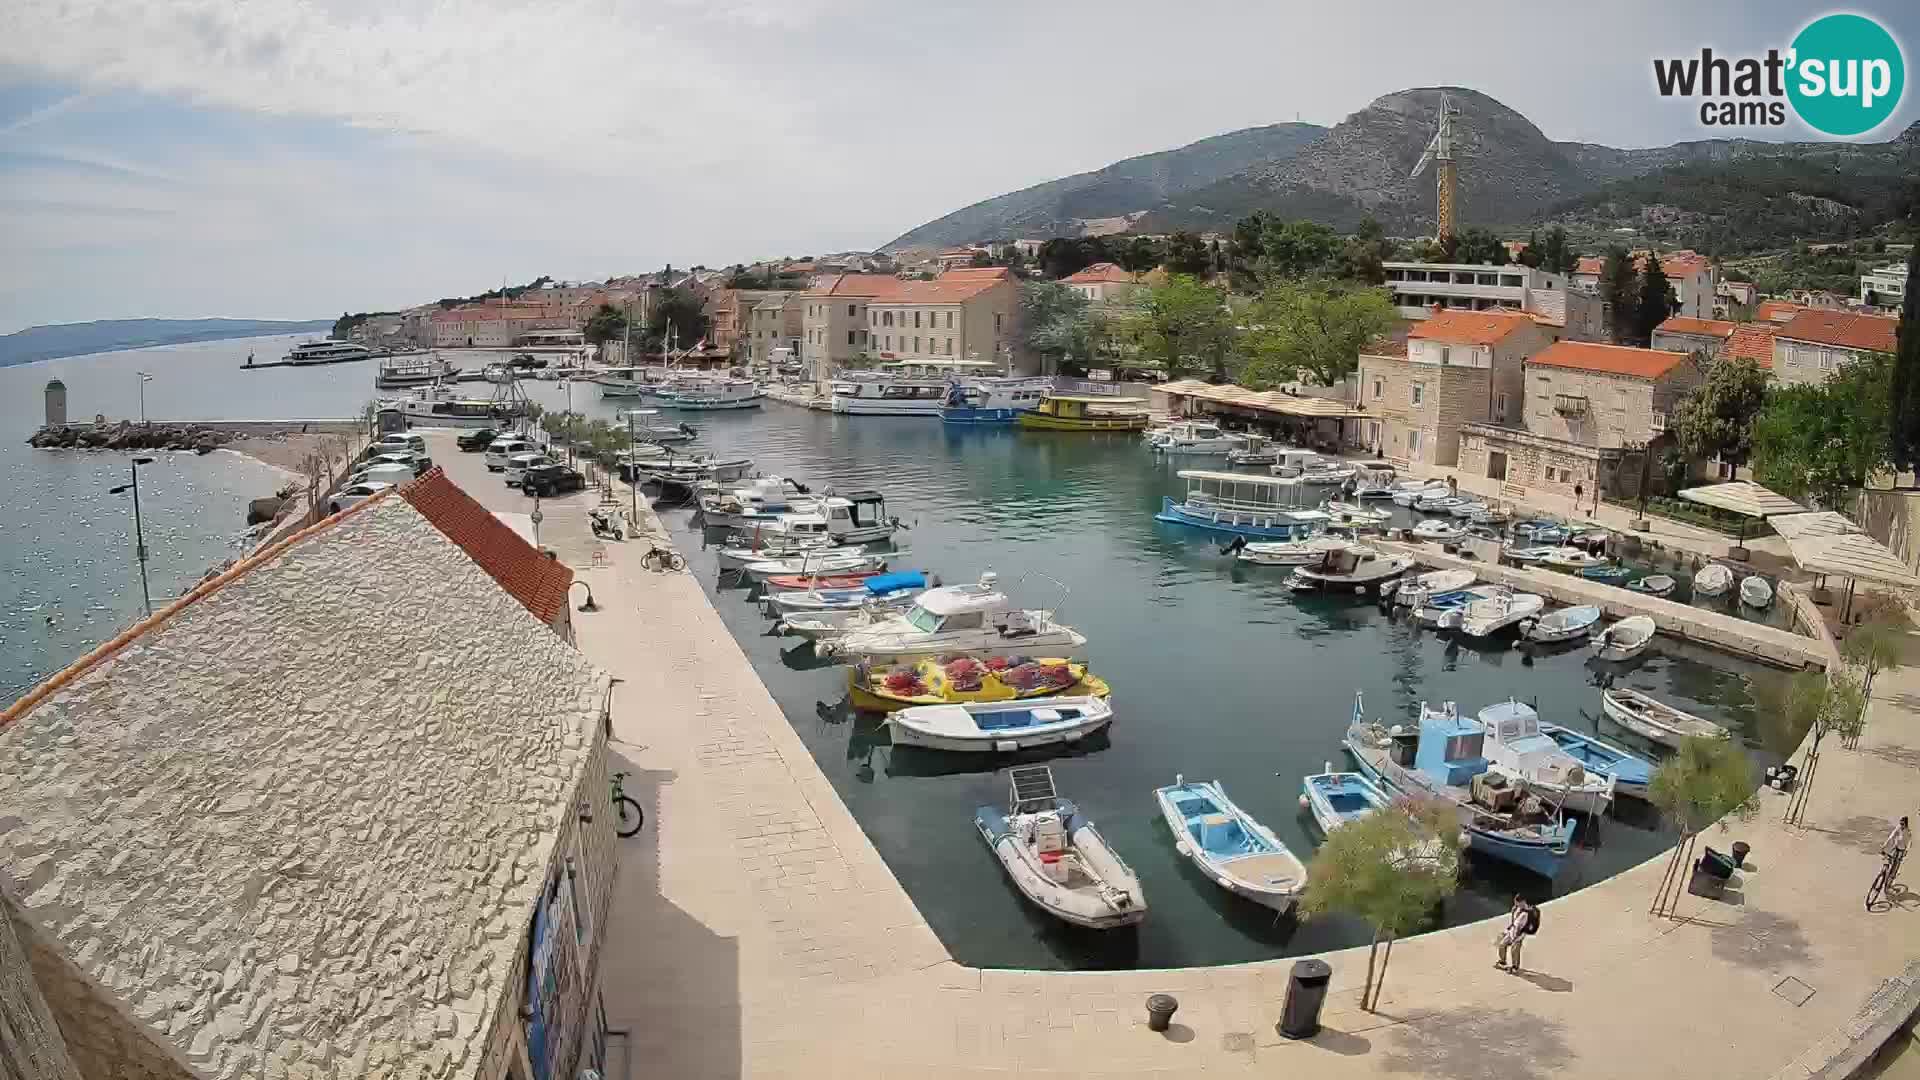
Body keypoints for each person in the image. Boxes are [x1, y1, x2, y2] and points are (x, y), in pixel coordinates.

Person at [1496, 895, 1528, 973]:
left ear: (1523, 902)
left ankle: (1515, 967)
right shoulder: (1516, 908)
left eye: (1517, 903)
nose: (1516, 904)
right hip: (1512, 931)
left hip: (1519, 934)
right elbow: (1514, 921)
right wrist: (1508, 929)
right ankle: (1502, 962)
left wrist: (1521, 936)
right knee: (1502, 944)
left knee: (1515, 951)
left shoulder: (1528, 913)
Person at [1885, 816, 1911, 884]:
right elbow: (1891, 836)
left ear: (1906, 824)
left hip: (1901, 850)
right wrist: (1885, 845)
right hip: (1896, 847)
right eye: (1900, 823)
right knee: (1890, 859)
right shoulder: (1898, 827)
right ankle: (1887, 874)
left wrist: (1906, 851)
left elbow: (1909, 843)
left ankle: (1892, 878)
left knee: (1896, 864)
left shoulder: (1907, 832)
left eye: (1902, 824)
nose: (1901, 825)